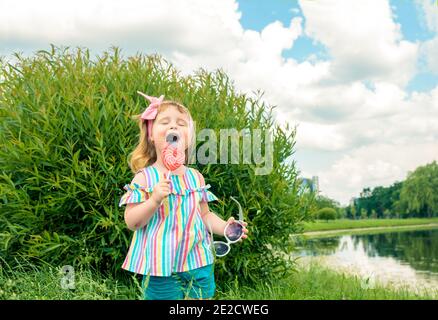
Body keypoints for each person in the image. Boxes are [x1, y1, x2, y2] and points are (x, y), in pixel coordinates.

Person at [119, 92, 248, 300]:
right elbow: (132, 222)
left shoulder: (195, 177)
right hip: (161, 266)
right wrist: (154, 200)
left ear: (188, 137)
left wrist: (225, 227)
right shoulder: (144, 179)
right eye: (165, 122)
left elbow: (205, 216)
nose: (174, 127)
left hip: (198, 261)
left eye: (181, 123)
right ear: (151, 134)